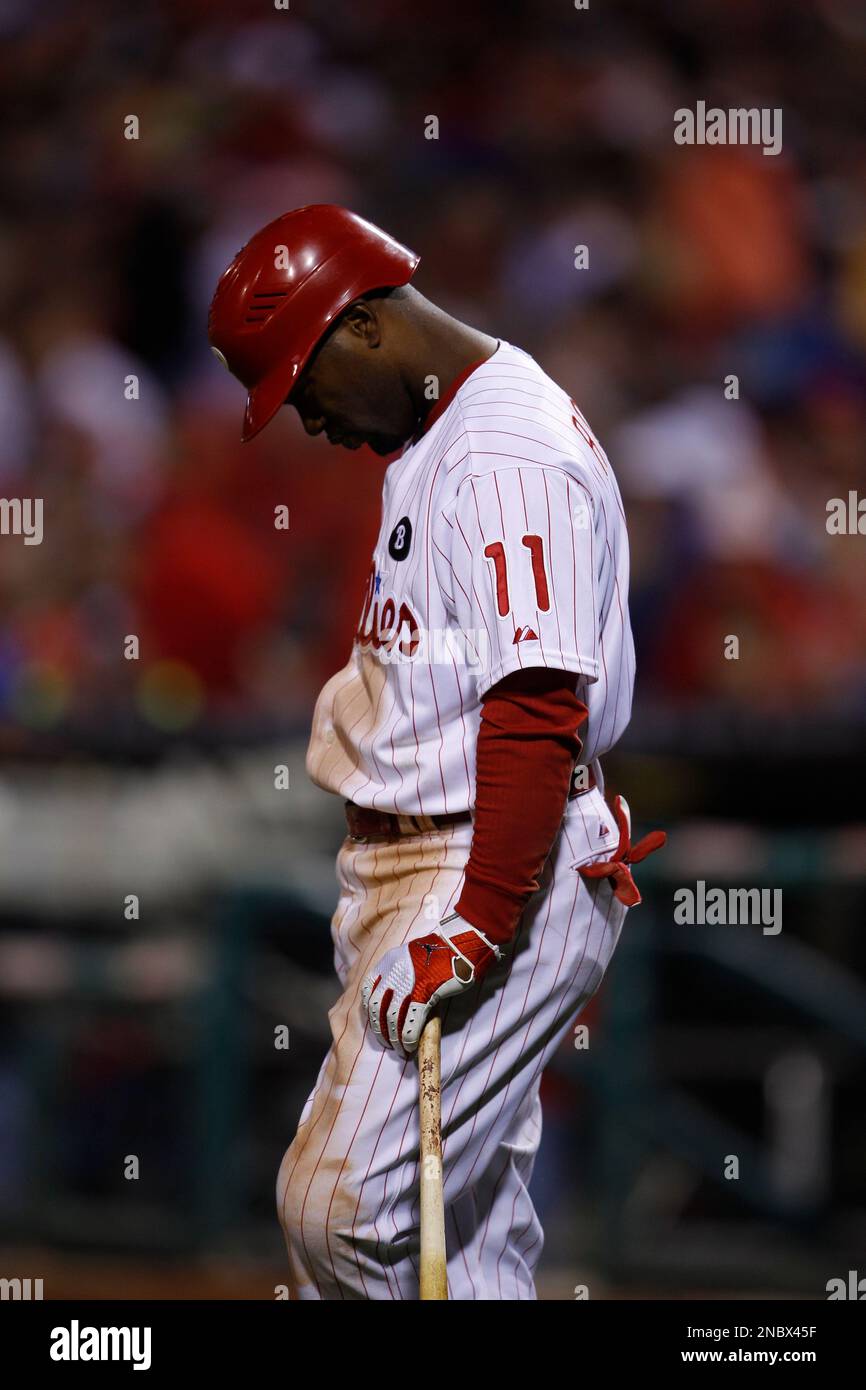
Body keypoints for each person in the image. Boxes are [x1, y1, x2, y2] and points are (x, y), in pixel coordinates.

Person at [209, 204, 663, 1300]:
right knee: (454, 1250)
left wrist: (474, 920)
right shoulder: (444, 426)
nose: (307, 423)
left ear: (360, 325)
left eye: (299, 386)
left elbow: (535, 704)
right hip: (423, 859)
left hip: (481, 866)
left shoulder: (505, 451)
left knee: (339, 1208)